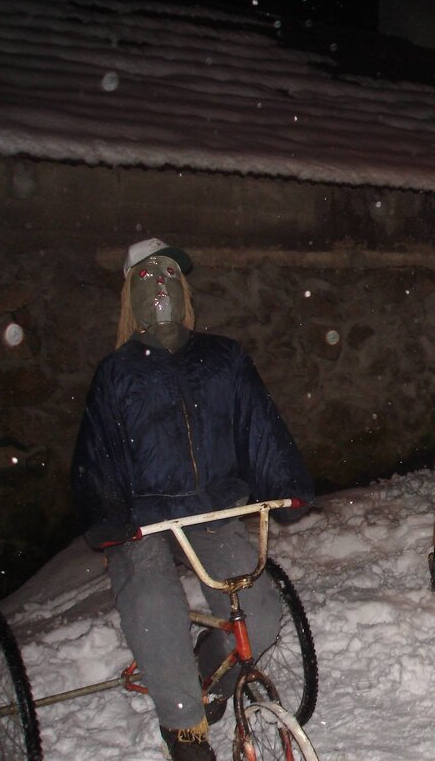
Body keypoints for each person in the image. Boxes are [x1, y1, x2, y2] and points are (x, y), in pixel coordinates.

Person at [71, 238, 314, 760]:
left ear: (183, 290)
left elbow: (258, 427)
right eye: (146, 276)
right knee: (155, 603)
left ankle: (212, 674)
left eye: (169, 275)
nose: (159, 285)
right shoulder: (117, 375)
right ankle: (184, 727)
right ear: (129, 294)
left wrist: (284, 485)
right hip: (145, 517)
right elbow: (98, 455)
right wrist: (111, 517)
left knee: (259, 611)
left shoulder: (223, 359)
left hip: (212, 508)